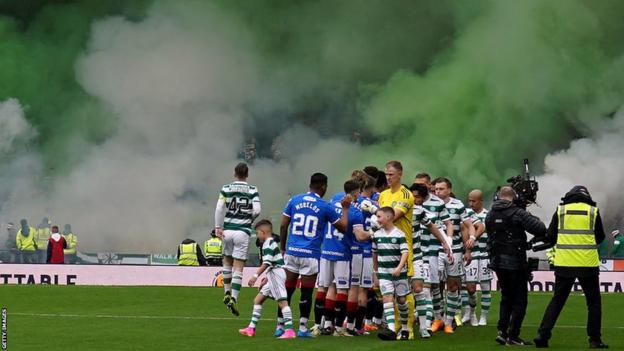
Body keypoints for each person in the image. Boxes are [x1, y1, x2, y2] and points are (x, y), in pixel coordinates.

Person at [533, 186, 608, 349]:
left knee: (557, 300)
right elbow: (600, 237)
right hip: (587, 264)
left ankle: (542, 334)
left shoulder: (560, 210)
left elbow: (551, 236)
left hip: (564, 263)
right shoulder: (592, 211)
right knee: (593, 303)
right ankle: (594, 339)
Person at [280, 172, 349, 338]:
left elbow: (283, 225)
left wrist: (283, 247)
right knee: (306, 292)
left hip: (292, 251)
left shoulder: (294, 200)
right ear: (323, 186)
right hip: (310, 253)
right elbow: (343, 227)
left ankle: (281, 326)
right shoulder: (325, 206)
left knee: (287, 291)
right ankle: (302, 328)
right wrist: (345, 208)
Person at [486, 186, 546, 346]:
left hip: (497, 261)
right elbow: (540, 228)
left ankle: (502, 331)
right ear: (514, 197)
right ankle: (513, 335)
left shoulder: (490, 213)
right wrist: (526, 212)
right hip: (515, 261)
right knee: (520, 300)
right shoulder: (517, 213)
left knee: (506, 297)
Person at [315, 180, 365, 336]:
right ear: (356, 192)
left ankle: (323, 325)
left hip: (326, 251)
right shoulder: (355, 212)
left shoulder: (330, 205)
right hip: (342, 253)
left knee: (325, 287)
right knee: (342, 289)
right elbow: (360, 236)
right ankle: (339, 327)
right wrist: (375, 231)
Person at [356, 207, 410, 341]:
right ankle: (391, 329)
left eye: (379, 216)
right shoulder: (377, 234)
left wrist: (399, 268)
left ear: (389, 217)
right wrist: (376, 272)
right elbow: (374, 254)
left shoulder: (399, 234)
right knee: (387, 298)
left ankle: (404, 328)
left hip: (399, 273)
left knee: (402, 301)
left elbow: (405, 253)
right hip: (384, 273)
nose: (377, 219)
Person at [215, 162, 261, 316]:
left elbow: (219, 208)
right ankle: (234, 297)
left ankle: (226, 292)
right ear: (247, 175)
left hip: (227, 230)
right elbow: (257, 210)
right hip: (243, 231)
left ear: (234, 173)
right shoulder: (252, 190)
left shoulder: (226, 188)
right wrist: (249, 219)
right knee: (239, 266)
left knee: (227, 262)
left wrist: (217, 227)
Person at [377, 160, 416, 338]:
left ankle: (408, 328)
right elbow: (380, 218)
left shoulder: (406, 195)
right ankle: (395, 326)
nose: (388, 177)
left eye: (391, 174)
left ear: (400, 174)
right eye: (386, 174)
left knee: (404, 291)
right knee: (388, 292)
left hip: (402, 246)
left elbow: (392, 216)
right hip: (385, 247)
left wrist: (374, 215)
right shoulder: (383, 194)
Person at [239, 219, 296, 339]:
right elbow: (270, 263)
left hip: (276, 274)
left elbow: (266, 263)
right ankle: (251, 328)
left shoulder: (269, 243)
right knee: (258, 300)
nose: (257, 235)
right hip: (273, 274)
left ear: (263, 232)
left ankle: (289, 331)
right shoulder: (269, 243)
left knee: (282, 302)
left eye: (258, 233)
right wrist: (266, 277)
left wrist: (255, 276)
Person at [433, 177, 477, 333]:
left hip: (455, 249)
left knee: (452, 286)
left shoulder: (457, 205)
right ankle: (437, 318)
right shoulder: (429, 204)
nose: (438, 192)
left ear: (449, 190)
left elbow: (469, 226)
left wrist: (471, 239)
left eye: (441, 189)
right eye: (436, 189)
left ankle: (449, 321)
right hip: (434, 249)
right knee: (434, 284)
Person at [409, 183, 453, 338]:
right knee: (424, 288)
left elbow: (445, 224)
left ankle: (435, 319)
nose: (414, 200)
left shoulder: (435, 205)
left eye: (417, 197)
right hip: (414, 254)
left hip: (431, 252)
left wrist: (447, 243)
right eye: (412, 196)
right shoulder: (407, 208)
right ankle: (427, 323)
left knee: (433, 287)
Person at [466, 189, 492, 326]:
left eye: (473, 201)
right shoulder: (466, 215)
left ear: (480, 201)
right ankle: (471, 313)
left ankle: (484, 316)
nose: (471, 204)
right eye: (469, 200)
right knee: (470, 288)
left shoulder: (488, 215)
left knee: (485, 287)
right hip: (471, 255)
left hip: (485, 256)